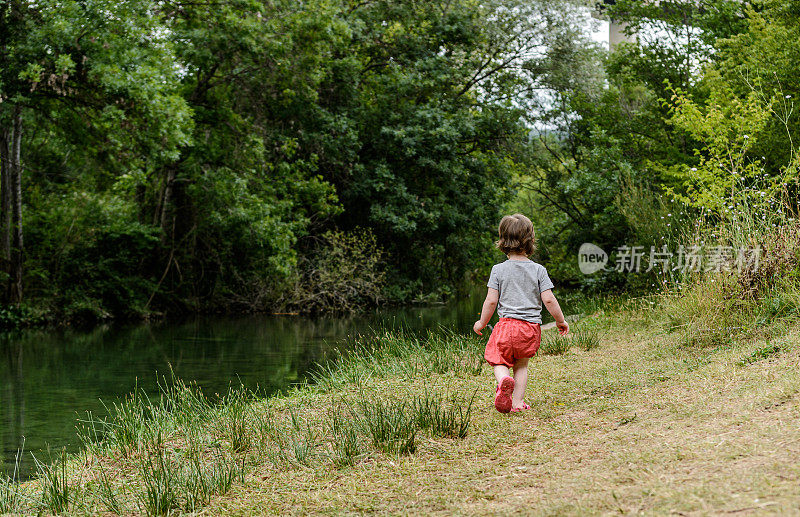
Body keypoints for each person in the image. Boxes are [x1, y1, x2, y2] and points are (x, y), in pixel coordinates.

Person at [473, 214, 569, 413]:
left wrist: (482, 322)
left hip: (506, 326)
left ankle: (503, 381)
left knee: (498, 360)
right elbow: (549, 299)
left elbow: (491, 300)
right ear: (531, 240)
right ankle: (517, 403)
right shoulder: (539, 270)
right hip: (529, 329)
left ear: (502, 240)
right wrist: (560, 321)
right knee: (522, 365)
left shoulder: (498, 270)